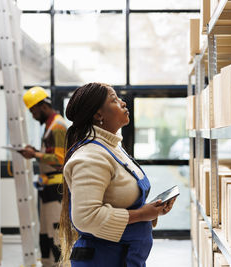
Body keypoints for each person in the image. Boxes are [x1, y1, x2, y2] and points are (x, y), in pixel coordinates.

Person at [60, 82, 177, 267]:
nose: (123, 103)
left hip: (122, 257)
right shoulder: (90, 156)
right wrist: (140, 215)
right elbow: (85, 217)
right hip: (102, 260)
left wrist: (151, 210)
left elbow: (118, 199)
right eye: (114, 99)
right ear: (98, 114)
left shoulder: (112, 148)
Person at [21, 86, 68, 266]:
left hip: (56, 192)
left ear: (42, 106)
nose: (33, 115)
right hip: (48, 190)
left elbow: (60, 159)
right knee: (47, 234)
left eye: (33, 110)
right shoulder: (50, 127)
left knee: (56, 234)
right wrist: (36, 152)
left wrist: (34, 155)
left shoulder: (57, 126)